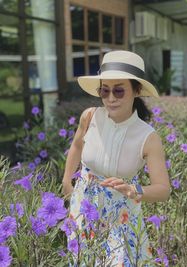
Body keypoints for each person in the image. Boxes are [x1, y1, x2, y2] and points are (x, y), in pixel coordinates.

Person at [62, 50, 170, 266]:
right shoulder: (90, 116)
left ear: (136, 90)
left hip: (122, 216)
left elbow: (163, 189)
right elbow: (76, 146)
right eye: (105, 91)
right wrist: (67, 182)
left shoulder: (148, 138)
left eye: (119, 91)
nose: (110, 98)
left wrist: (135, 191)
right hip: (85, 207)